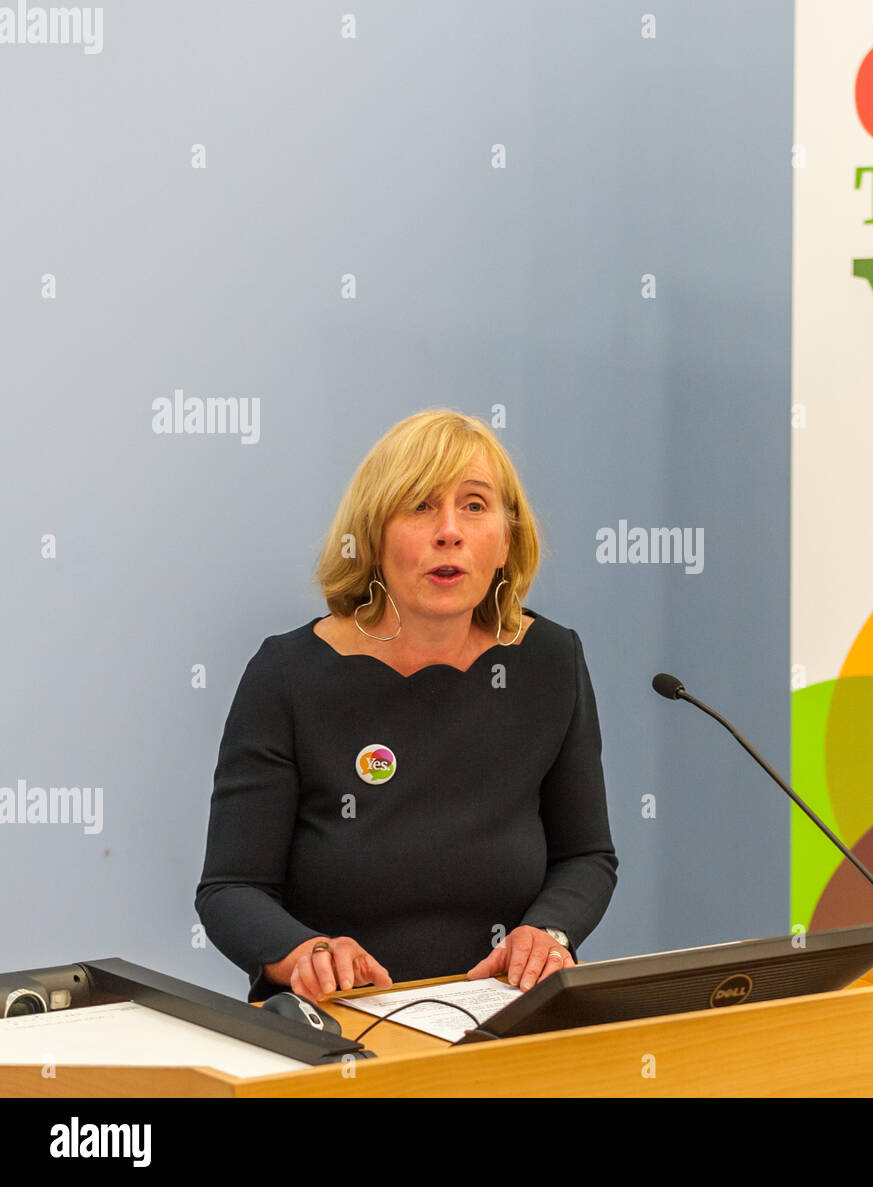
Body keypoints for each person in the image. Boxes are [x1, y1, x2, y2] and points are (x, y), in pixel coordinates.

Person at [194, 409, 618, 1004]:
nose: (450, 531)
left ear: (506, 541)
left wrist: (546, 933)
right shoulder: (288, 674)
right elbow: (231, 890)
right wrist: (306, 955)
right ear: (370, 537)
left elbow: (586, 856)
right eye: (420, 506)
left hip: (503, 1014)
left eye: (474, 506)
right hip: (343, 1024)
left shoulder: (549, 660)